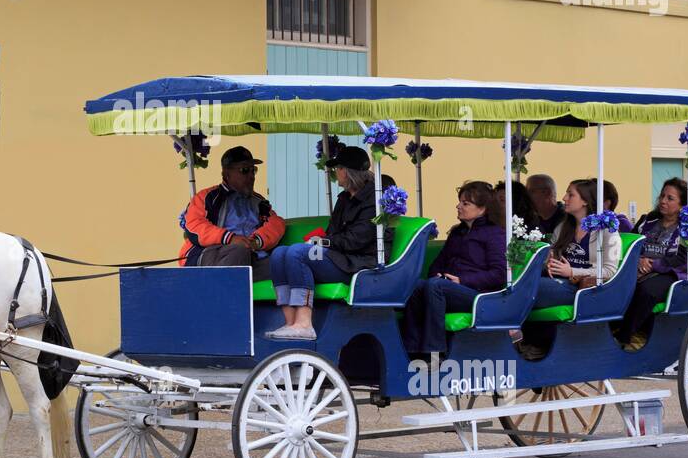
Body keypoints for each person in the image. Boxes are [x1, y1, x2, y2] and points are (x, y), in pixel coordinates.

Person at [265, 147, 392, 340]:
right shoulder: (344, 198)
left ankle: (305, 324)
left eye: (338, 168)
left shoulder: (375, 200)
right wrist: (322, 242)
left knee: (298, 253)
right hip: (340, 256)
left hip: (359, 263)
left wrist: (322, 242)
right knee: (279, 253)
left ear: (347, 171)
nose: (335, 173)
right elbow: (334, 232)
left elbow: (355, 241)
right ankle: (291, 323)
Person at [400, 181, 506, 357]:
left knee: (435, 286)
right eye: (460, 202)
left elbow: (499, 274)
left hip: (479, 295)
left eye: (465, 203)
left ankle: (435, 351)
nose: (458, 206)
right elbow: (438, 262)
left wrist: (462, 281)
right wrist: (438, 274)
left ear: (483, 209)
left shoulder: (495, 234)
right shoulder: (458, 232)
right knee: (416, 285)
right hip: (449, 287)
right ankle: (411, 351)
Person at [518, 178, 621, 361]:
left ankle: (513, 329)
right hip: (557, 282)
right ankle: (535, 343)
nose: (564, 198)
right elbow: (551, 256)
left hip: (581, 289)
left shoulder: (607, 231)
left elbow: (610, 271)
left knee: (531, 286)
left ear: (585, 201)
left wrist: (572, 272)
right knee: (525, 282)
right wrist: (548, 262)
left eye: (570, 194)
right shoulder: (564, 226)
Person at [179, 146, 285, 282]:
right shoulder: (207, 197)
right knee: (239, 252)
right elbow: (194, 226)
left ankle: (291, 303)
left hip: (249, 257)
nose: (251, 176)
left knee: (284, 262)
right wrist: (230, 238)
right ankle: (224, 300)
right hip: (212, 254)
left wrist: (257, 241)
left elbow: (277, 223)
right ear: (226, 174)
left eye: (254, 170)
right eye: (245, 170)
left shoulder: (259, 201)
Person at [612, 178, 688, 351]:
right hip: (638, 268)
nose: (663, 201)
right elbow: (631, 245)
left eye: (670, 198)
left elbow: (683, 259)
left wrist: (653, 265)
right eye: (662, 196)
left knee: (646, 290)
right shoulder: (647, 221)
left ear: (682, 204)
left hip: (671, 274)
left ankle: (624, 337)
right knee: (616, 284)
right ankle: (612, 329)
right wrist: (638, 260)